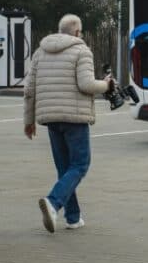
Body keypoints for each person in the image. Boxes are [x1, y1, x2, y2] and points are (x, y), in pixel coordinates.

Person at [23, 14, 113, 233]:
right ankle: (53, 203)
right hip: (74, 118)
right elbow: (86, 84)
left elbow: (29, 91)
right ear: (76, 32)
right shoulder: (81, 51)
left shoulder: (39, 53)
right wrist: (106, 85)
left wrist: (29, 121)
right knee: (80, 165)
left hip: (50, 119)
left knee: (65, 168)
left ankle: (73, 218)